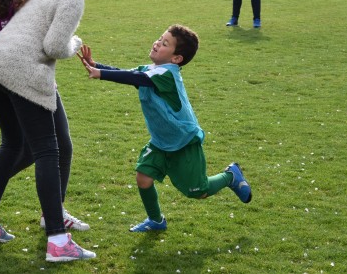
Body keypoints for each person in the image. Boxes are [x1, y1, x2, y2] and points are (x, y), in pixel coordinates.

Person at [0, 0, 100, 263]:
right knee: (47, 150)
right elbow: (55, 45)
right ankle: (58, 240)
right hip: (23, 73)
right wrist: (75, 43)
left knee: (16, 144)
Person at [78, 24, 252, 233]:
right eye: (160, 39)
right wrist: (96, 65)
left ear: (176, 58)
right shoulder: (151, 70)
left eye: (165, 43)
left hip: (183, 142)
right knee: (143, 177)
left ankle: (230, 176)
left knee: (199, 192)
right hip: (161, 141)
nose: (157, 43)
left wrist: (100, 73)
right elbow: (129, 74)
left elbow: (136, 78)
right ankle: (156, 220)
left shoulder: (167, 75)